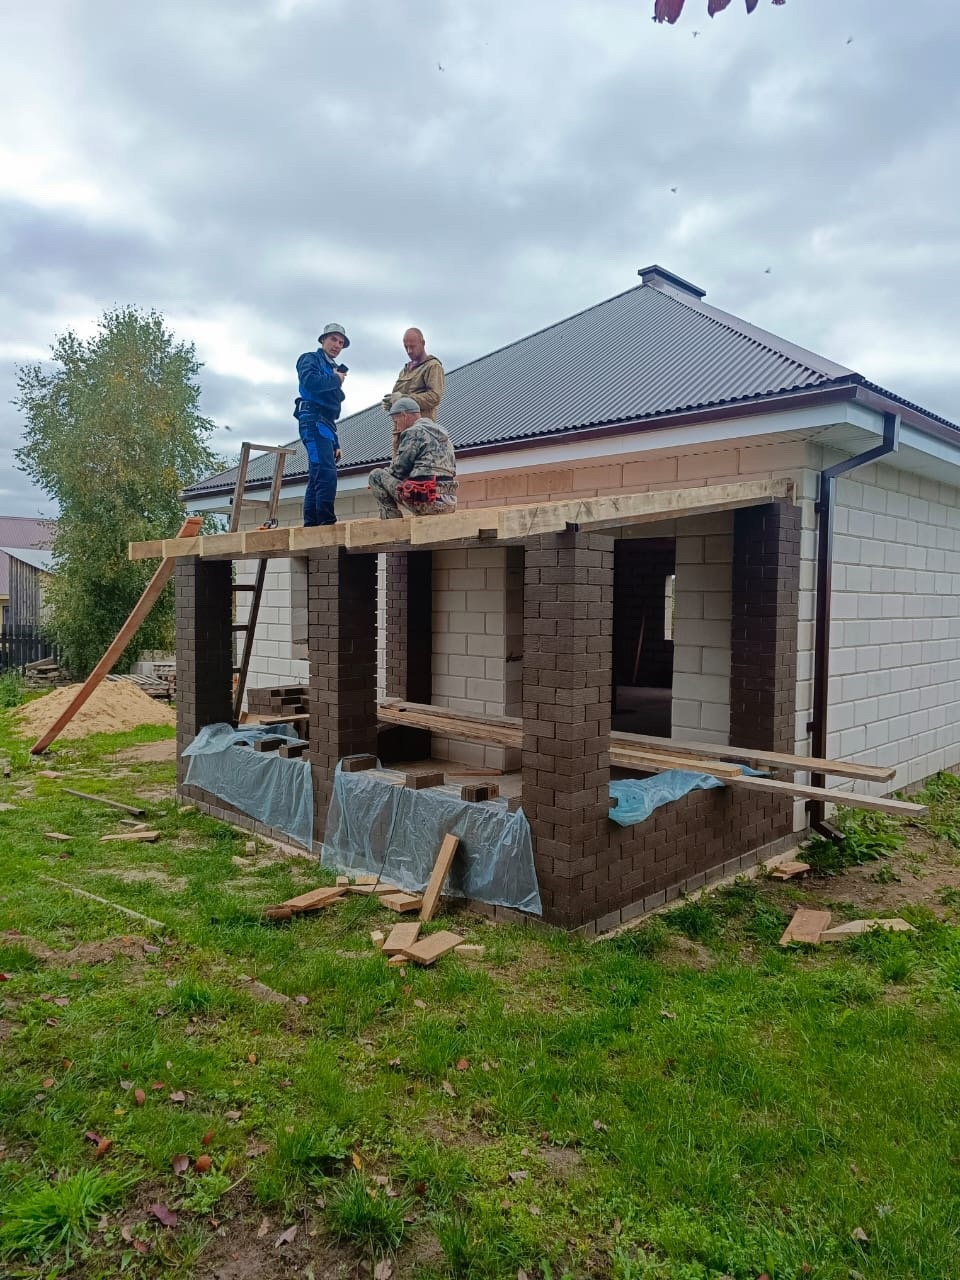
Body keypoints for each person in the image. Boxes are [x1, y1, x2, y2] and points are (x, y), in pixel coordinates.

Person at [294, 322, 349, 526]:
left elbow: (331, 410)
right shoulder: (310, 359)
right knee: (325, 473)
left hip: (326, 424)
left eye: (341, 342)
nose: (337, 345)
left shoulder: (332, 368)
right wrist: (335, 380)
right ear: (323, 339)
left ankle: (312, 523)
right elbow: (310, 382)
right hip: (311, 421)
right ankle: (325, 521)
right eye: (333, 339)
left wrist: (335, 442)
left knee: (319, 473)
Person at [368, 397, 458, 520]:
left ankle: (391, 523)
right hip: (449, 503)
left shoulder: (413, 432)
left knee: (376, 475)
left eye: (396, 421)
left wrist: (384, 478)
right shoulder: (445, 438)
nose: (396, 427)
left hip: (427, 501)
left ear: (404, 415)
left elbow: (399, 470)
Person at [382, 328, 445, 432]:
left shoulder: (432, 366)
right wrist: (392, 403)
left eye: (412, 346)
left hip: (421, 430)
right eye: (406, 347)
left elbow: (434, 397)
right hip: (400, 429)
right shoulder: (404, 371)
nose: (409, 351)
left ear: (423, 343)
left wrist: (403, 399)